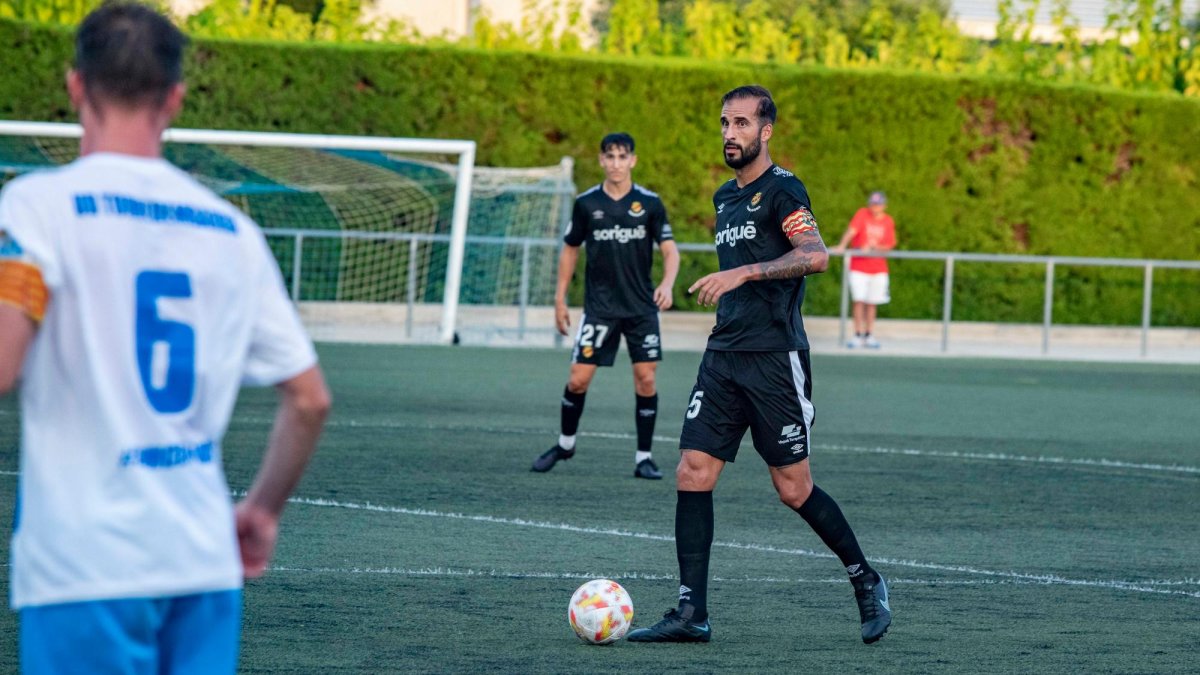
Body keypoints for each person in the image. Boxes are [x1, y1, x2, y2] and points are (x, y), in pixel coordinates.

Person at [0, 4, 331, 672]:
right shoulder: (230, 231)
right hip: (200, 561)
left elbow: (3, 362)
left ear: (74, 86)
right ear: (175, 98)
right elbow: (308, 399)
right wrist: (262, 510)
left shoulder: (39, 207)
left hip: (85, 563)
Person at [626, 86, 890, 644]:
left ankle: (865, 578)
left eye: (742, 124)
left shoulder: (783, 190)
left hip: (775, 358)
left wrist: (742, 275)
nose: (730, 133)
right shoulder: (725, 196)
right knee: (692, 472)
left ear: (765, 131)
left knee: (793, 488)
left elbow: (815, 255)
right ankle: (690, 612)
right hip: (723, 356)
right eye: (725, 122)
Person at [531, 133, 679, 480]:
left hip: (641, 308)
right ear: (601, 161)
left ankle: (644, 457)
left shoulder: (650, 204)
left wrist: (668, 284)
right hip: (599, 309)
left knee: (646, 379)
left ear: (633, 161)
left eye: (622, 157)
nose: (615, 163)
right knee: (578, 380)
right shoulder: (586, 203)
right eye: (609, 157)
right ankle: (566, 444)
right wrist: (560, 298)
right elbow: (570, 248)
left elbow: (670, 250)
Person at [832, 191, 896, 349]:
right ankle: (857, 334)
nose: (875, 208)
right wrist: (842, 245)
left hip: (878, 268)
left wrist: (875, 247)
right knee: (858, 300)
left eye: (878, 205)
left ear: (884, 206)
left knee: (872, 302)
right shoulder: (862, 214)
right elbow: (852, 231)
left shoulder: (888, 221)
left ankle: (869, 334)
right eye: (873, 204)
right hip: (859, 266)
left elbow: (889, 246)